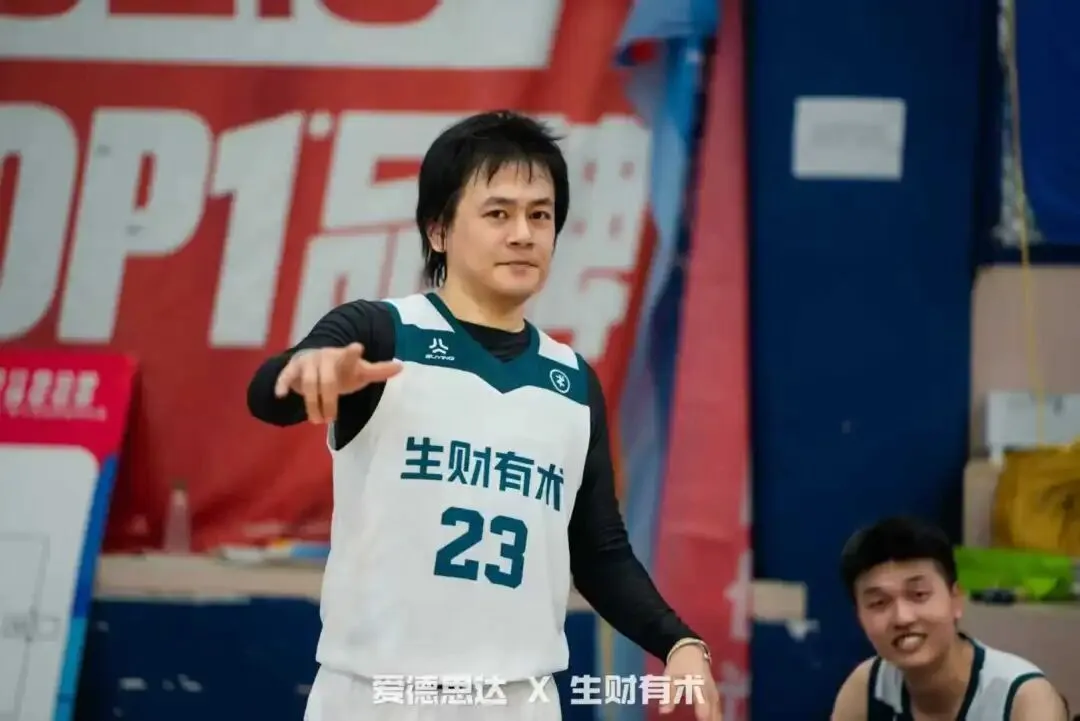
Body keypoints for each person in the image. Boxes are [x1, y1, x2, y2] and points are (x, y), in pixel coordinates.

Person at [247, 110, 720, 721]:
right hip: (375, 695)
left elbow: (598, 550)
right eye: (498, 214)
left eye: (540, 215)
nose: (523, 233)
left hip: (517, 700)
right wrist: (305, 368)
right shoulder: (381, 333)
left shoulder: (571, 381)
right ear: (439, 230)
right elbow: (269, 396)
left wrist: (677, 641)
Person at [830, 516, 1067, 721]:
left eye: (919, 594)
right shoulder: (866, 688)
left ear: (956, 599)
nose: (902, 618)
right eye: (878, 603)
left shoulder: (1024, 698)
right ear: (860, 617)